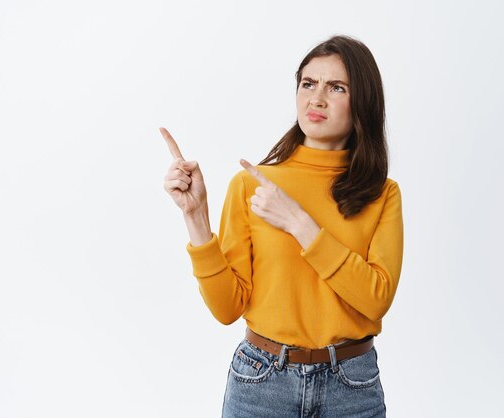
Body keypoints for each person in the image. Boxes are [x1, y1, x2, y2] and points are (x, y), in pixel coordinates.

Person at [161, 35, 403, 418]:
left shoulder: (382, 193)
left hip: (352, 387)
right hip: (262, 382)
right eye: (308, 83)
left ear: (363, 103)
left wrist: (300, 224)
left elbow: (376, 298)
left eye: (336, 87)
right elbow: (227, 308)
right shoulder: (253, 185)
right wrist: (195, 216)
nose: (316, 98)